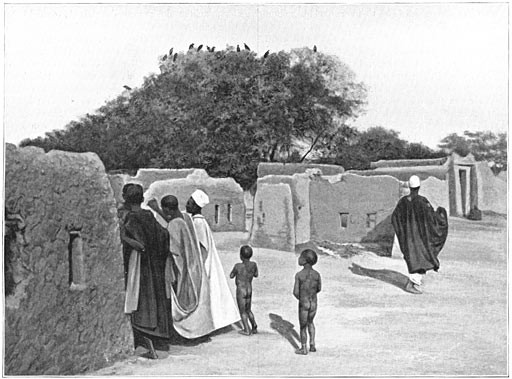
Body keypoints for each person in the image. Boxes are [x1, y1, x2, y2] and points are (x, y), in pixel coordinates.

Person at [147, 195, 216, 341]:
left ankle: (185, 335)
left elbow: (173, 248)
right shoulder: (186, 218)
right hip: (193, 267)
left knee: (181, 300)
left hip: (182, 268)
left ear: (168, 210)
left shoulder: (175, 224)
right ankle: (199, 333)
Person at [120, 184, 172, 359]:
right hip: (153, 265)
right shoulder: (148, 215)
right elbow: (164, 235)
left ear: (126, 199)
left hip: (140, 266)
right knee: (153, 300)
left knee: (140, 302)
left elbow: (140, 244)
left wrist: (124, 238)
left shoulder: (131, 218)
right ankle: (154, 341)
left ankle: (148, 344)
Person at [185, 189, 240, 331]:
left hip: (204, 263)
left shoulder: (198, 223)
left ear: (196, 205)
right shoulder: (198, 221)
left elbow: (202, 247)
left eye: (190, 202)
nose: (187, 204)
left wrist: (198, 266)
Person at [391, 175, 449, 294]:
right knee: (421, 258)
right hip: (420, 238)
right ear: (418, 187)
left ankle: (413, 283)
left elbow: (395, 218)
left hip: (408, 238)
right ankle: (411, 284)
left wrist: (403, 232)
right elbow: (432, 218)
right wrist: (441, 213)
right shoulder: (422, 202)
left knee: (413, 257)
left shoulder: (403, 201)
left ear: (410, 187)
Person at [293, 249, 321, 355]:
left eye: (300, 256)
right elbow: (319, 288)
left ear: (305, 260)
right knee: (311, 322)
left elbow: (295, 292)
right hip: (313, 302)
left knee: (303, 326)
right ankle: (312, 344)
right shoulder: (317, 275)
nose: (298, 258)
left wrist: (302, 298)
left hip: (304, 302)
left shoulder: (299, 275)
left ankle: (304, 348)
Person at [230, 245, 259, 336]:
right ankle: (254, 326)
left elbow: (231, 275)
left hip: (241, 290)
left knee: (242, 311)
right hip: (249, 289)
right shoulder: (253, 264)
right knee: (248, 310)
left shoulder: (238, 266)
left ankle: (246, 329)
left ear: (240, 256)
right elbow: (256, 275)